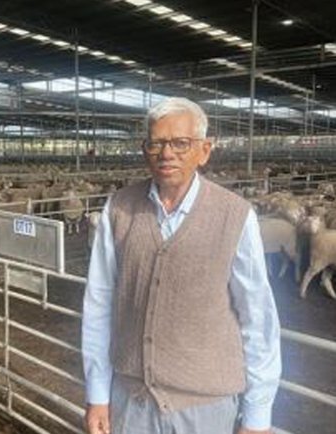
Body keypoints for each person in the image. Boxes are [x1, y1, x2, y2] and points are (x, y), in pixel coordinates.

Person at [81, 97, 281, 434]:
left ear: (204, 150)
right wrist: (97, 394)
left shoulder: (235, 215)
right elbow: (99, 304)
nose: (166, 153)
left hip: (206, 407)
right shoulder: (118, 209)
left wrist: (257, 416)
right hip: (132, 400)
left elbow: (257, 316)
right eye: (156, 143)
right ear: (145, 149)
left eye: (180, 143)